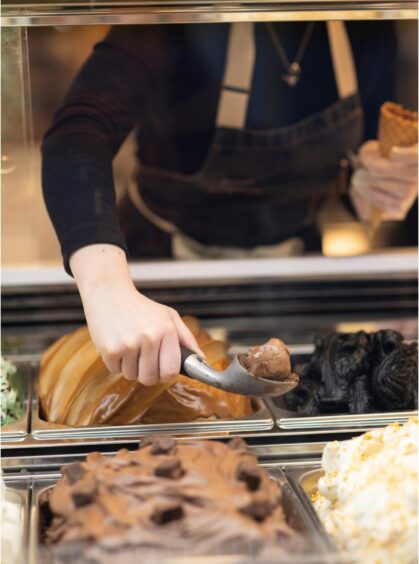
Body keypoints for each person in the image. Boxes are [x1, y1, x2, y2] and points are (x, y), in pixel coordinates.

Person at [42, 21, 418, 386]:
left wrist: (375, 184)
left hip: (292, 278)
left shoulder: (364, 18)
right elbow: (77, 134)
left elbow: (361, 159)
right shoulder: (178, 18)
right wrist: (107, 289)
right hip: (159, 285)